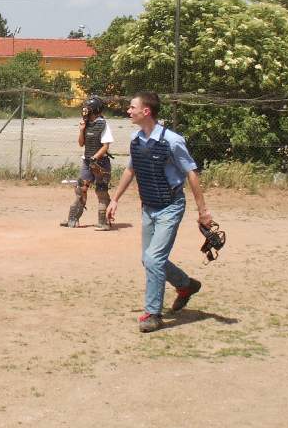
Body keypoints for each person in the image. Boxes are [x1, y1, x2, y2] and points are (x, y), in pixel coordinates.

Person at [106, 92, 213, 333]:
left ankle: (153, 314)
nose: (128, 111)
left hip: (170, 206)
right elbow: (131, 170)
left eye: (132, 107)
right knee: (149, 259)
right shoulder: (136, 139)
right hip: (149, 206)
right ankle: (186, 285)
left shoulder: (172, 141)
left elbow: (191, 173)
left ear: (146, 111)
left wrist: (203, 211)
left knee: (154, 259)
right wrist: (114, 199)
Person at [60, 95, 114, 230]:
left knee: (101, 191)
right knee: (81, 189)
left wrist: (95, 158)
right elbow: (81, 143)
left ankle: (104, 222)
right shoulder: (86, 123)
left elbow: (105, 146)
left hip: (100, 162)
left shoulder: (103, 124)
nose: (84, 110)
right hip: (87, 161)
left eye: (88, 108)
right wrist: (82, 130)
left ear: (95, 110)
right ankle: (73, 219)